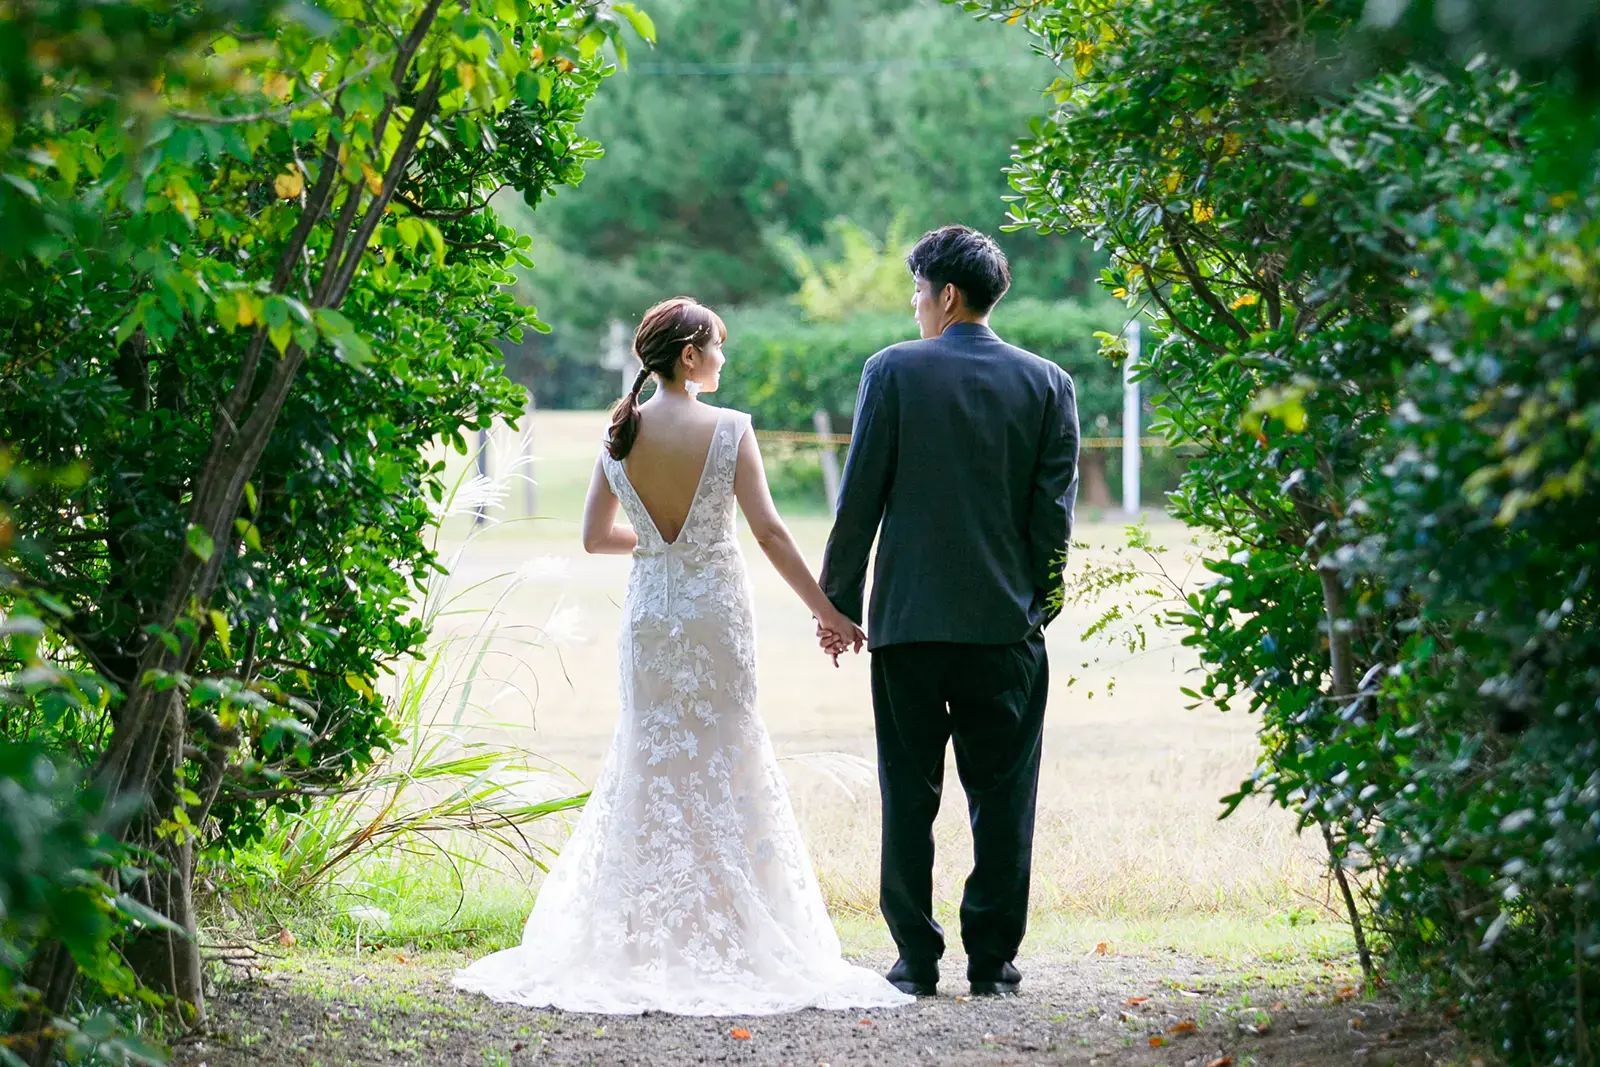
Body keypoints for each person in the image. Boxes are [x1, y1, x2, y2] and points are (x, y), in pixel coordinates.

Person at [453, 297, 914, 1016]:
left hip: (650, 621)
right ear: (690, 356)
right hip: (715, 618)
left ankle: (643, 931)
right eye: (717, 346)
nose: (724, 358)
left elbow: (594, 538)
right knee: (729, 755)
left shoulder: (621, 433)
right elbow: (769, 533)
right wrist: (827, 611)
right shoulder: (730, 429)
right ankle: (733, 925)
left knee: (651, 758)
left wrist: (659, 545)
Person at [819, 225, 1081, 998]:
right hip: (1006, 629)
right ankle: (992, 960)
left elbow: (859, 499)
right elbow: (1053, 517)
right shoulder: (1049, 383)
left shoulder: (891, 371)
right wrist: (1038, 608)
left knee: (908, 794)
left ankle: (915, 958)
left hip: (908, 625)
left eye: (918, 290)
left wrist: (837, 604)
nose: (914, 304)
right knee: (1004, 799)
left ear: (949, 296)